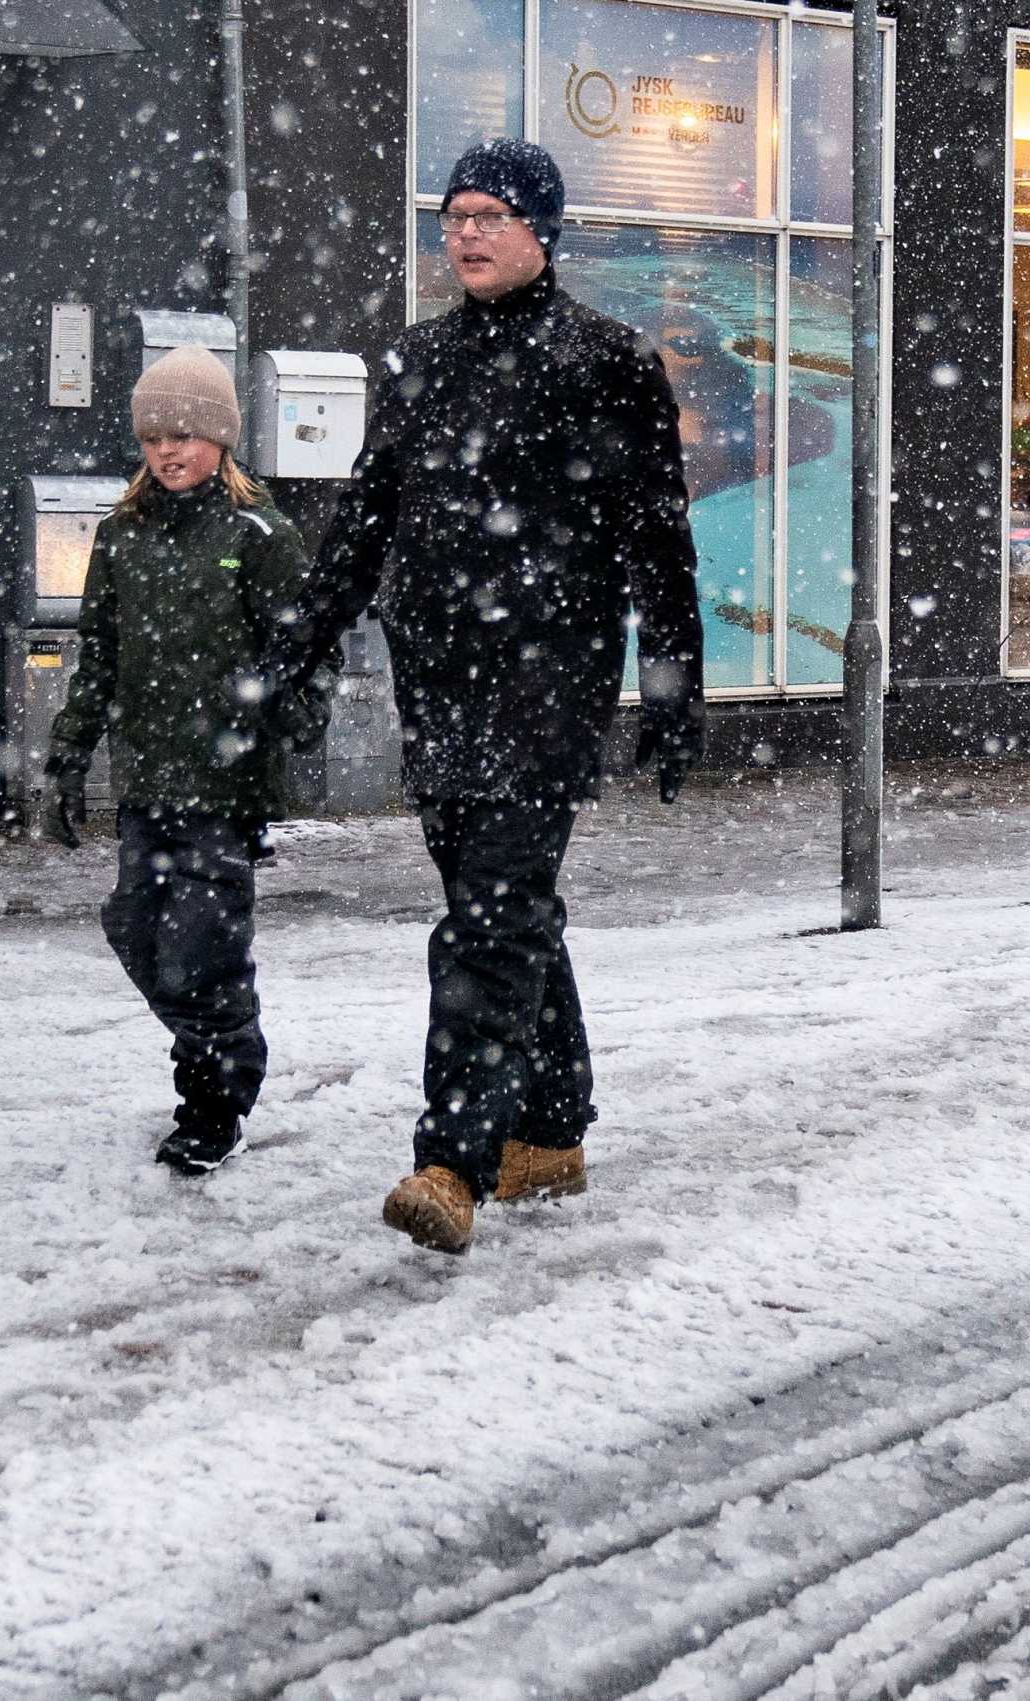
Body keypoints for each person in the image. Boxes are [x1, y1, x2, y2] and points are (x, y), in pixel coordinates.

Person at [255, 137, 705, 1255]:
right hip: (442, 681)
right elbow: (363, 522)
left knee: (485, 922)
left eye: (490, 215)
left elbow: (658, 540)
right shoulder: (416, 361)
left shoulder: (607, 360)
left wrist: (672, 688)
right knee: (498, 908)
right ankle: (551, 1129)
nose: (465, 232)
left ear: (541, 232)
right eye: (453, 214)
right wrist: (293, 653)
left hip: (549, 684)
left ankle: (452, 1160)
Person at [40, 347, 331, 1174]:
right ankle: (227, 1041)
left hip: (225, 781)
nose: (170, 451)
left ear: (223, 439)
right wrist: (68, 758)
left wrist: (290, 713)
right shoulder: (120, 535)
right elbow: (97, 654)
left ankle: (212, 1101)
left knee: (203, 944)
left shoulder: (260, 534)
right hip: (146, 776)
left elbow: (311, 650)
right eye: (155, 437)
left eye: (187, 435)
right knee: (136, 928)